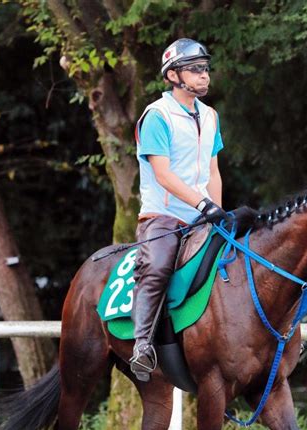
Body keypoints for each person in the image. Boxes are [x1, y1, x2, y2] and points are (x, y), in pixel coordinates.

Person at [130, 38, 229, 381]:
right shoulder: (156, 116)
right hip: (164, 218)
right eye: (195, 69)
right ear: (173, 75)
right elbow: (163, 174)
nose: (204, 76)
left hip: (205, 216)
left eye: (206, 69)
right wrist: (202, 204)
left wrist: (217, 211)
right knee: (158, 266)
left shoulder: (211, 116)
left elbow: (213, 170)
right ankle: (142, 344)